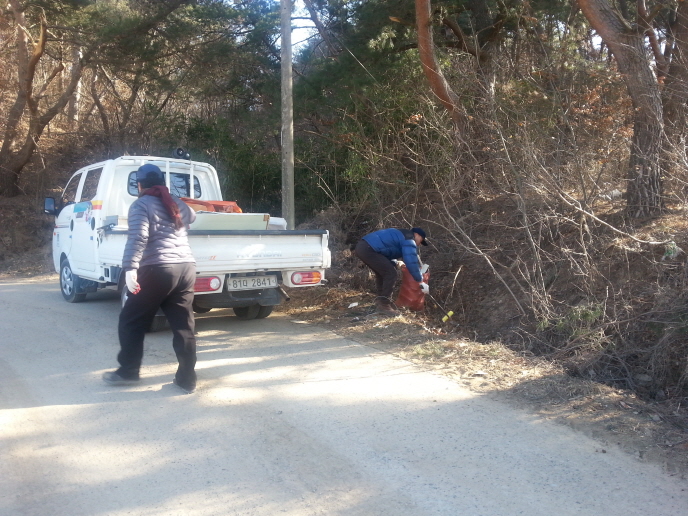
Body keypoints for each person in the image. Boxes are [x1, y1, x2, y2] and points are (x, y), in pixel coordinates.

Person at [102, 163, 198, 394]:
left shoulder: (140, 204)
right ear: (162, 183)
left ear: (140, 184)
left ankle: (128, 371)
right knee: (183, 325)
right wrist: (173, 201)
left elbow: (138, 237)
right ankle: (187, 379)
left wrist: (130, 269)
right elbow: (192, 216)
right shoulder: (175, 202)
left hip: (158, 269)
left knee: (131, 320)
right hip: (186, 267)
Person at [355, 227, 429, 315]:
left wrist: (395, 262)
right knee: (391, 274)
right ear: (417, 235)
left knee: (383, 273)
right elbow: (411, 262)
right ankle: (384, 305)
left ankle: (381, 301)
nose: (419, 244)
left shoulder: (401, 234)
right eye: (421, 241)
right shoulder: (409, 239)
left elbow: (385, 251)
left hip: (363, 247)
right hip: (369, 249)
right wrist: (420, 281)